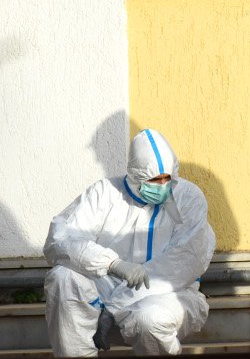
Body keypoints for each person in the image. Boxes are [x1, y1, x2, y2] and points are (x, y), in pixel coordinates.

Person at [43, 128, 216, 356]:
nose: (163, 185)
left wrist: (113, 309)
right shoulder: (105, 193)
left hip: (169, 294)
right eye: (154, 180)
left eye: (168, 178)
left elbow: (181, 265)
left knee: (150, 319)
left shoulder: (188, 198)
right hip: (105, 288)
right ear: (135, 175)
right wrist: (113, 264)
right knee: (62, 277)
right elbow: (60, 238)